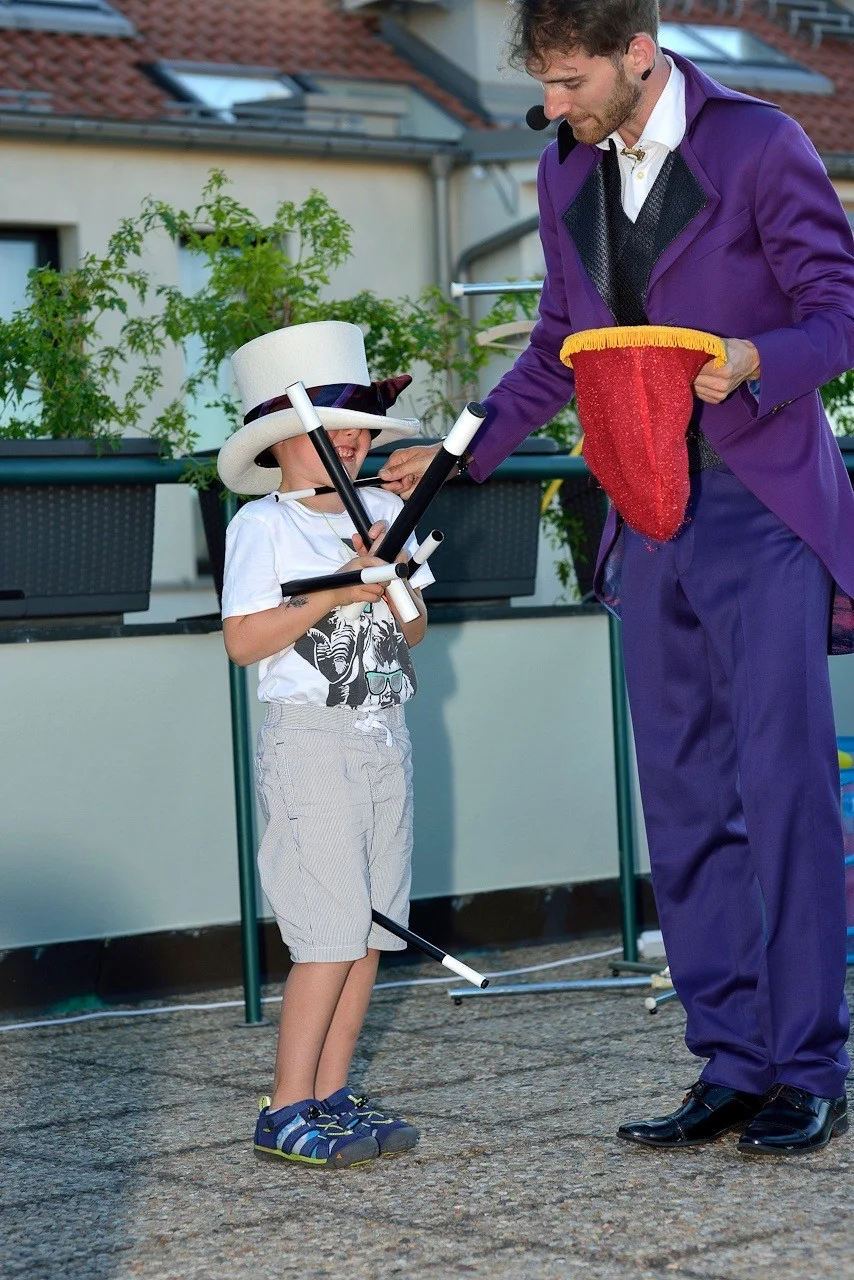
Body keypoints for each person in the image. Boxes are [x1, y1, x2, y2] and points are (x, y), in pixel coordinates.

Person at [379, 0, 854, 1155]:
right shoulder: (564, 168)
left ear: (635, 54)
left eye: (565, 79)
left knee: (783, 788)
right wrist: (448, 459)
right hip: (641, 516)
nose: (549, 105)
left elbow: (838, 315)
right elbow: (553, 346)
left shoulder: (756, 144)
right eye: (541, 83)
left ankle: (808, 1066)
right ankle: (729, 1063)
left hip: (760, 508)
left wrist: (754, 360)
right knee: (683, 798)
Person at [219, 321, 433, 1168]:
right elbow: (242, 641)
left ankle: (334, 1092)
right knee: (328, 932)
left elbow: (414, 632)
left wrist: (387, 578)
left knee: (375, 930)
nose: (350, 439)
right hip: (310, 743)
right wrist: (335, 591)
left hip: (385, 736)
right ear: (282, 444)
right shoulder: (261, 528)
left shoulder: (384, 512)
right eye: (333, 426)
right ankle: (287, 1103)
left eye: (360, 428)